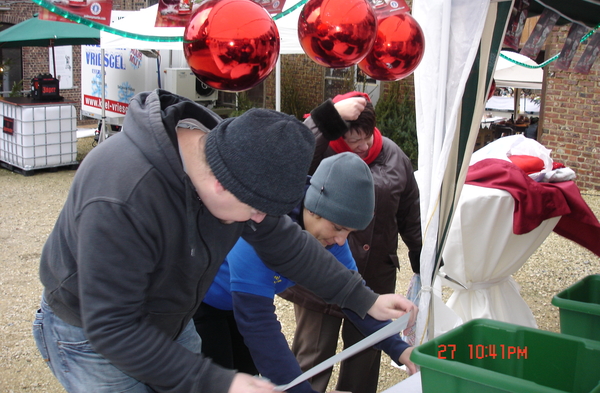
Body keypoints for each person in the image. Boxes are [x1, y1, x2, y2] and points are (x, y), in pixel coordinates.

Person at [32, 89, 416, 393]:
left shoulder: (231, 159)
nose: (258, 222)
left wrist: (364, 299)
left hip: (170, 316)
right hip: (88, 333)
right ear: (220, 184)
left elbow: (286, 242)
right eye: (253, 211)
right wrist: (219, 381)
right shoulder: (122, 195)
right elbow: (112, 326)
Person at [194, 152, 417, 393]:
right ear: (313, 209)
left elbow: (356, 301)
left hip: (238, 304)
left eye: (350, 233)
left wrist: (399, 348)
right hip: (203, 301)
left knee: (248, 375)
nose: (342, 241)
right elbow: (258, 323)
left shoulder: (332, 240)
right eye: (339, 228)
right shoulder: (260, 228)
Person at [280, 91, 422, 393]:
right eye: (354, 140)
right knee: (313, 356)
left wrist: (420, 257)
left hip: (374, 273)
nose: (364, 145)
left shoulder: (396, 158)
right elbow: (289, 151)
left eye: (367, 136)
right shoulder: (318, 156)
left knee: (364, 357)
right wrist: (327, 115)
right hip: (317, 282)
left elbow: (411, 214)